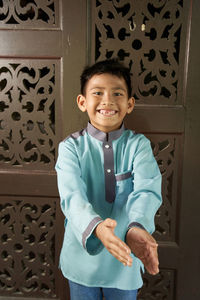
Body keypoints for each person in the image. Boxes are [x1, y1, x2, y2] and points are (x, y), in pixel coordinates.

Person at [55, 59, 162, 300]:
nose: (108, 100)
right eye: (98, 92)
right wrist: (98, 228)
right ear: (82, 102)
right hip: (82, 255)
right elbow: (72, 197)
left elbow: (147, 191)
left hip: (126, 252)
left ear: (130, 103)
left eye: (117, 93)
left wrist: (136, 227)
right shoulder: (70, 147)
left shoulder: (139, 146)